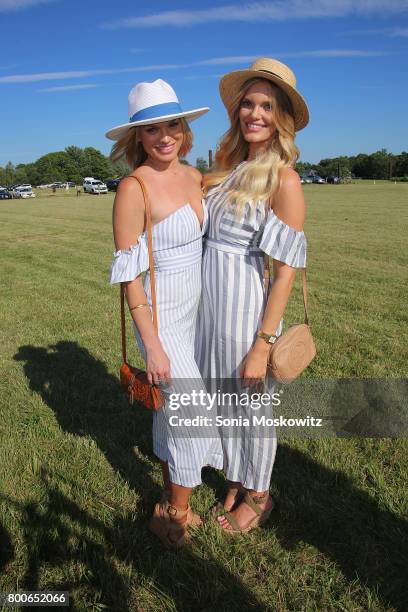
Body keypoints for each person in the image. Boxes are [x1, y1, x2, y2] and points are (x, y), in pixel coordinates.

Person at [107, 79, 222, 546]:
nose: (165, 135)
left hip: (195, 314)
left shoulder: (196, 176)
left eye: (172, 124)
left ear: (184, 128)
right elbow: (130, 278)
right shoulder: (133, 187)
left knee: (173, 413)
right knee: (194, 413)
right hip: (158, 319)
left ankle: (172, 499)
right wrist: (151, 345)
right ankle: (172, 513)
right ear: (138, 137)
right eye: (152, 129)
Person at [195, 58, 309, 532]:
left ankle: (259, 496)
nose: (254, 113)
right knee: (224, 401)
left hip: (248, 314)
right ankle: (238, 477)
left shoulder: (284, 179)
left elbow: (283, 274)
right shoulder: (228, 168)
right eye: (248, 103)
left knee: (252, 407)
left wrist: (262, 345)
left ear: (280, 117)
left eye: (266, 105)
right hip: (211, 311)